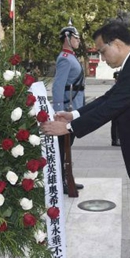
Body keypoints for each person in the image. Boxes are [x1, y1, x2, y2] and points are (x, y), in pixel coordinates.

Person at [40, 21, 130, 258]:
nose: (102, 58)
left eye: (102, 51)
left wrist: (69, 128)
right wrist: (74, 116)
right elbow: (110, 98)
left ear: (116, 44)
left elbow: (111, 107)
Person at [52, 23, 85, 191]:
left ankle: (67, 177)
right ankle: (62, 180)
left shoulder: (71, 56)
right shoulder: (64, 58)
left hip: (75, 107)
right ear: (67, 38)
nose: (78, 41)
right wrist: (58, 110)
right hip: (67, 108)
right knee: (62, 148)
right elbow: (58, 86)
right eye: (76, 38)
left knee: (67, 146)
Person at [111, 70, 121, 145]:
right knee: (115, 125)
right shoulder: (114, 87)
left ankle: (117, 139)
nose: (116, 80)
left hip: (119, 108)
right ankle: (115, 140)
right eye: (116, 79)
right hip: (115, 108)